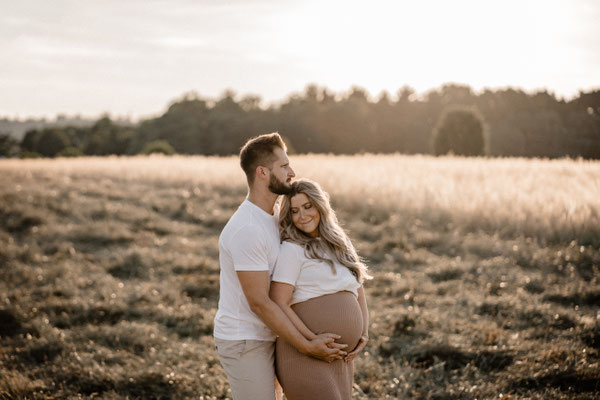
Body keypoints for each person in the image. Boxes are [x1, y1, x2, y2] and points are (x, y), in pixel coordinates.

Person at [213, 133, 348, 400]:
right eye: (284, 166)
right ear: (262, 172)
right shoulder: (247, 229)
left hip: (274, 336)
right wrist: (308, 345)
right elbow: (260, 302)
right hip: (246, 342)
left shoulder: (274, 217)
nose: (292, 172)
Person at [270, 178, 371, 400]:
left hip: (339, 358)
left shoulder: (339, 242)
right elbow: (279, 302)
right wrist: (311, 340)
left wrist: (363, 332)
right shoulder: (292, 249)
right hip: (305, 355)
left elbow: (358, 289)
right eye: (295, 211)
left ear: (320, 205)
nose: (302, 215)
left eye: (308, 207)